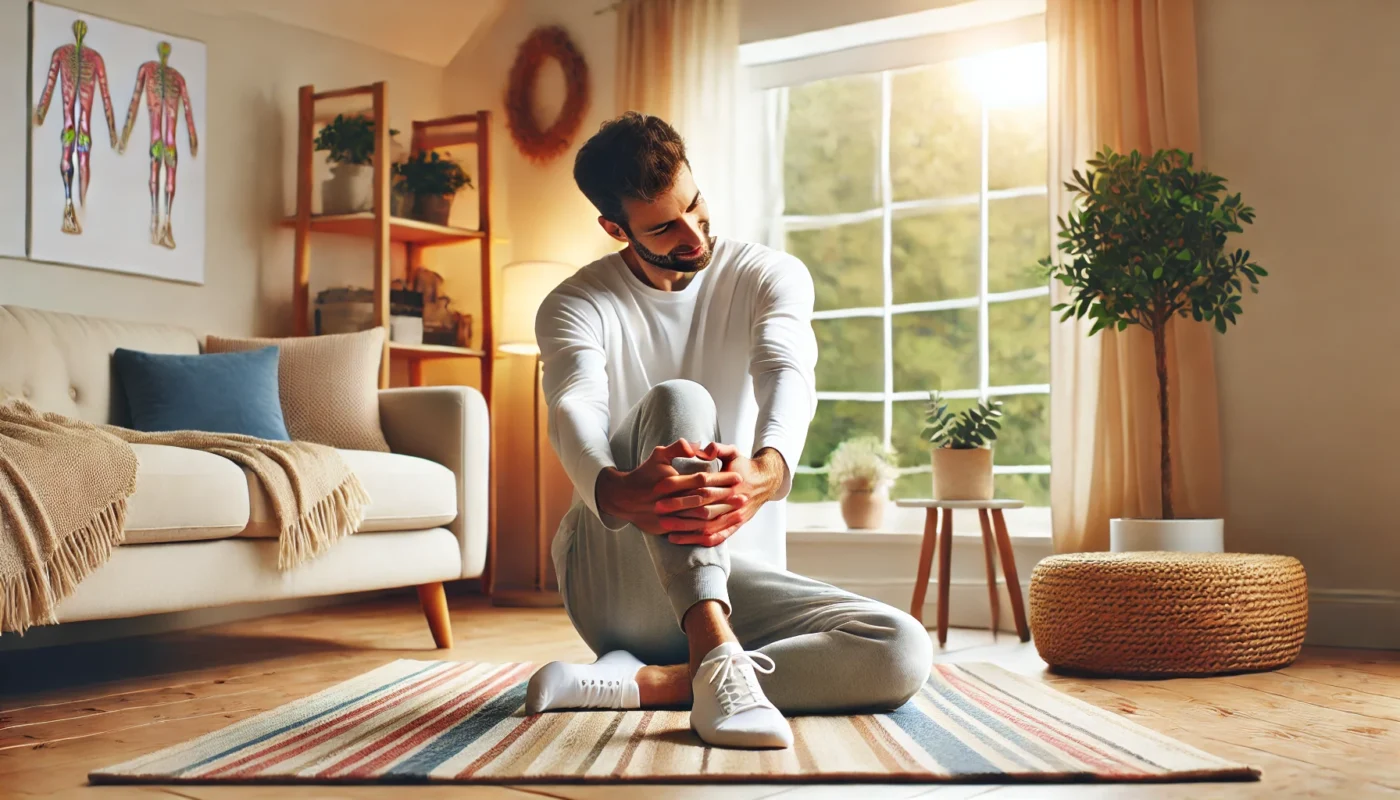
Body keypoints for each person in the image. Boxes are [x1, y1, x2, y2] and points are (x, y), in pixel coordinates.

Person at [525, 113, 933, 749]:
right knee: (682, 401)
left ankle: (656, 681)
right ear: (614, 228)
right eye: (663, 225)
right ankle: (714, 653)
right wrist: (613, 491)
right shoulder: (574, 304)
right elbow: (573, 403)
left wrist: (767, 474)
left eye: (695, 205)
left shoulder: (771, 274)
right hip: (614, 579)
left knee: (901, 648)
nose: (692, 233)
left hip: (736, 578)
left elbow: (785, 368)